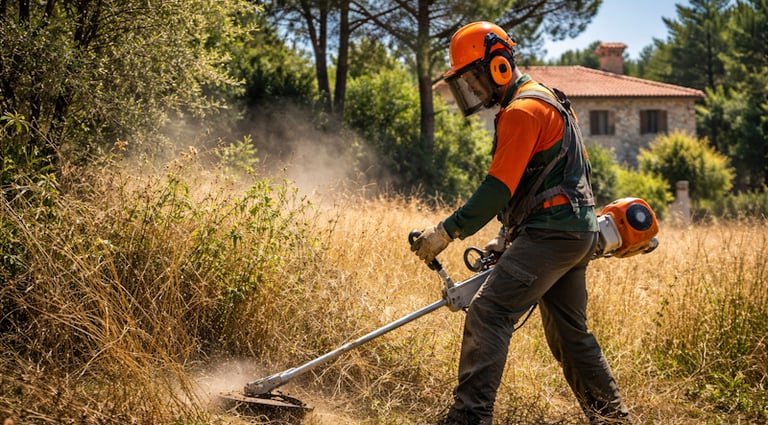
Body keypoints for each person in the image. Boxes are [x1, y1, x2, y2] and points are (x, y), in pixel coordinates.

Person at [410, 21, 631, 425]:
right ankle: (613, 419)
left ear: (497, 66)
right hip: (576, 232)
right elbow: (542, 182)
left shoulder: (521, 111)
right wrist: (506, 236)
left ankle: (469, 417)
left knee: (489, 312)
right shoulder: (551, 99)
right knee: (569, 334)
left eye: (473, 79)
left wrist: (444, 232)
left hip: (552, 234)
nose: (474, 91)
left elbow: (497, 189)